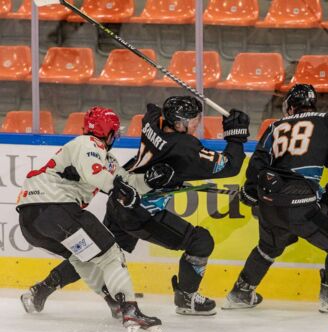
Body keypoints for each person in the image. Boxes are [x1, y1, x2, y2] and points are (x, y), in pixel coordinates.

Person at [20, 96, 250, 317]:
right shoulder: (184, 147)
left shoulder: (152, 122)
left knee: (95, 252)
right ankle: (187, 299)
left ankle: (43, 288)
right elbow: (230, 167)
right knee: (201, 241)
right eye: (194, 120)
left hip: (119, 204)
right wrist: (236, 136)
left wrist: (150, 180)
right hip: (141, 212)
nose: (198, 124)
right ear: (179, 123)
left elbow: (152, 110)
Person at [17, 106, 174, 332]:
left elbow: (126, 181)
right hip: (55, 208)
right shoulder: (88, 143)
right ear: (108, 133)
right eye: (114, 132)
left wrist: (151, 181)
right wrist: (121, 191)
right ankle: (131, 312)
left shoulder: (103, 157)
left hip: (31, 222)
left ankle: (115, 302)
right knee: (111, 255)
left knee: (82, 258)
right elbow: (95, 174)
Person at [223, 84, 328, 314]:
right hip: (302, 205)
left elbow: (257, 165)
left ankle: (240, 293)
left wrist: (250, 191)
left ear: (289, 106)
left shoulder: (275, 126)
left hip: (270, 203)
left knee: (268, 248)